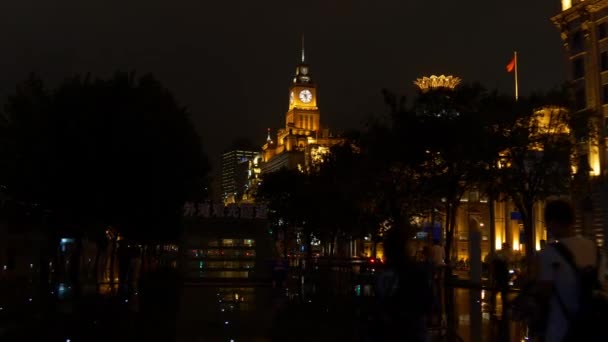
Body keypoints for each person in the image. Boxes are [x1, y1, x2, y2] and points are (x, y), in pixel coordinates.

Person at [537, 199, 607, 341]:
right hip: (593, 329)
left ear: (552, 222)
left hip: (560, 330)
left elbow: (544, 292)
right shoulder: (596, 250)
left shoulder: (549, 253)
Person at [374, 228, 432, 342]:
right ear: (405, 247)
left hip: (389, 332)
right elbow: (428, 302)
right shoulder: (414, 272)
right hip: (413, 331)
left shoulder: (384, 273)